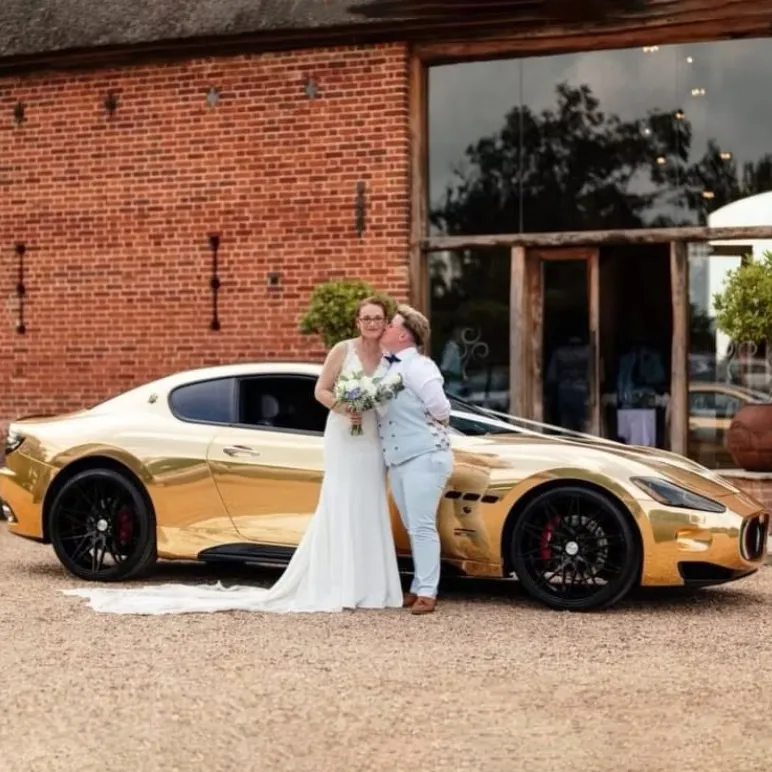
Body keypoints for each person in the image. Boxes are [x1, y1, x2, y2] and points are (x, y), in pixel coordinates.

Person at [61, 297, 404, 615]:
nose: (372, 323)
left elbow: (394, 397)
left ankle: (370, 587)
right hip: (345, 434)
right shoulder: (342, 351)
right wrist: (346, 406)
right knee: (341, 503)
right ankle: (341, 584)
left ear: (385, 322)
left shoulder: (389, 358)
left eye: (378, 318)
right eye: (366, 317)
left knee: (368, 504)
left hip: (370, 439)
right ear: (357, 322)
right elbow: (320, 390)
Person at [377, 304, 454, 615]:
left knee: (422, 526)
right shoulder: (388, 366)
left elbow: (442, 409)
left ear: (403, 334)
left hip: (425, 455)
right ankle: (418, 585)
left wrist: (423, 426)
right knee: (412, 525)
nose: (384, 327)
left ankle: (428, 592)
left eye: (390, 323)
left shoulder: (420, 366)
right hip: (399, 458)